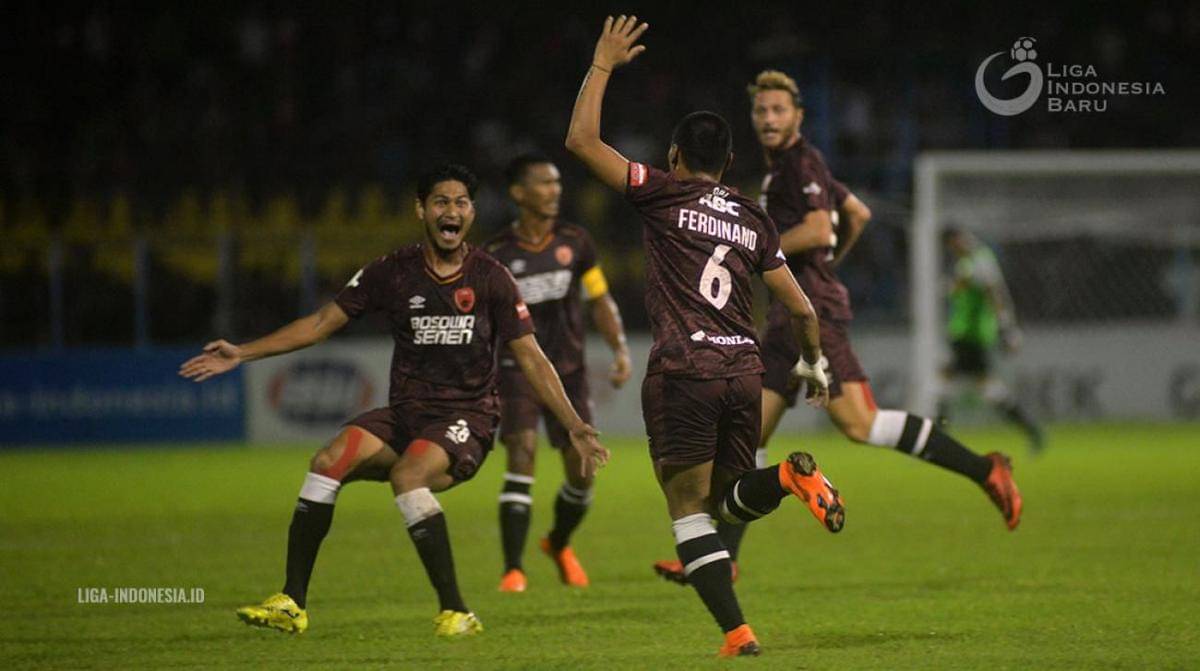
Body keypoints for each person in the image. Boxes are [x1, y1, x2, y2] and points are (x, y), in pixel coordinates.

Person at [179, 164, 607, 637]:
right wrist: (243, 352)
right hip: (405, 416)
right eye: (441, 202)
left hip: (466, 418)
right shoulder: (391, 272)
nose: (451, 211)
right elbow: (320, 324)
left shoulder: (491, 277)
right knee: (327, 461)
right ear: (421, 210)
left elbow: (531, 356)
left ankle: (457, 611)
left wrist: (574, 425)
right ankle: (291, 603)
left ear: (471, 212)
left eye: (461, 202)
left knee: (408, 475)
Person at [653, 70, 1024, 587]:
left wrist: (752, 246)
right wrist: (823, 266)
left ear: (798, 116)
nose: (768, 119)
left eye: (779, 110)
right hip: (796, 314)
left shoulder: (799, 163)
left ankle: (986, 470)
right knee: (760, 433)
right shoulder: (793, 166)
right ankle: (720, 556)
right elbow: (858, 212)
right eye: (761, 110)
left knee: (855, 424)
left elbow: (819, 227)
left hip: (810, 316)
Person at [566, 16, 840, 658]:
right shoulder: (754, 218)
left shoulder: (661, 193)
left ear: (673, 157)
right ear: (730, 163)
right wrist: (813, 363)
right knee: (728, 501)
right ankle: (786, 480)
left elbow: (581, 141)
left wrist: (602, 63)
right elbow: (803, 311)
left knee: (688, 511)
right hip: (744, 372)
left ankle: (738, 633)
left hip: (684, 370)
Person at [484, 153, 632, 592]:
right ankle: (513, 570)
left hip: (568, 370)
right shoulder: (495, 255)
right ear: (519, 193)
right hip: (517, 370)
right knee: (522, 451)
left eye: (557, 183)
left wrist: (620, 348)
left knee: (582, 473)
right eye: (545, 183)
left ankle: (558, 542)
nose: (555, 191)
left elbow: (599, 299)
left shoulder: (576, 242)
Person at [940, 226, 1044, 452]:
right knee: (963, 381)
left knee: (957, 382)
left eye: (954, 243)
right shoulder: (971, 261)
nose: (954, 248)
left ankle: (937, 436)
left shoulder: (978, 261)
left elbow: (992, 292)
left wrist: (1006, 327)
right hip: (966, 334)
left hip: (972, 335)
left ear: (957, 240)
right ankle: (1030, 429)